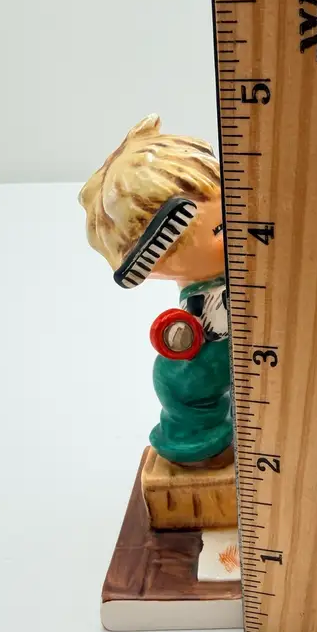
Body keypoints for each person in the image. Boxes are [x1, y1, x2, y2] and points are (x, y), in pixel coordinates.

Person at [79, 115, 233, 468]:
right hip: (225, 347)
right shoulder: (201, 320)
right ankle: (200, 445)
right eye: (219, 229)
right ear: (154, 261)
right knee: (178, 380)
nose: (238, 228)